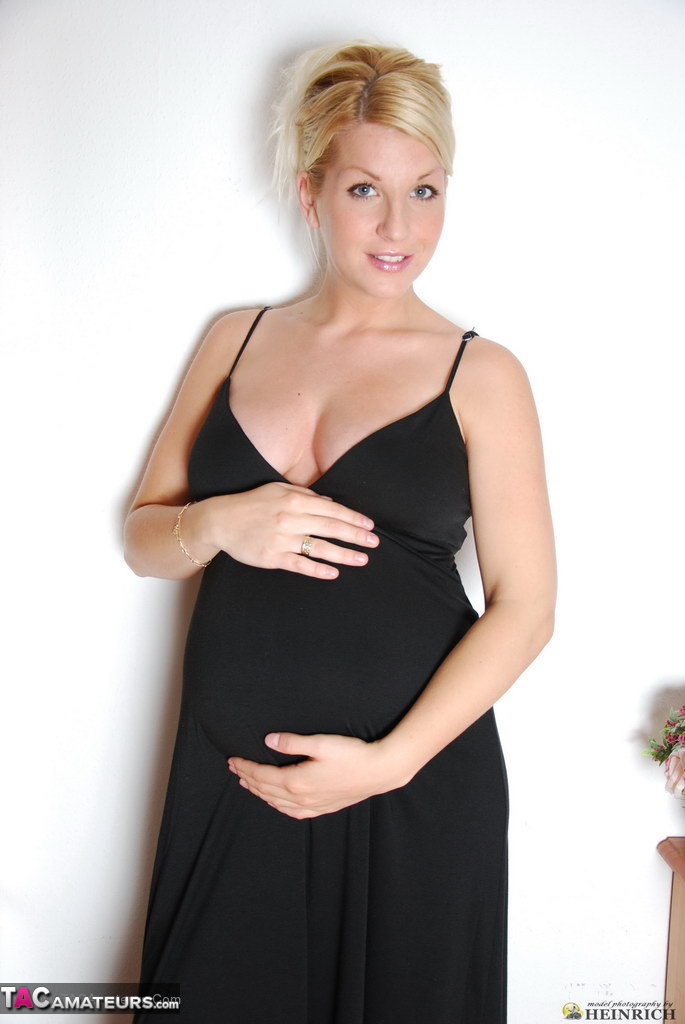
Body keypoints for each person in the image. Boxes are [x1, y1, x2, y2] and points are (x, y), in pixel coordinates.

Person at [124, 40, 556, 1024]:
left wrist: (389, 762)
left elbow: (526, 608)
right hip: (228, 782)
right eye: (366, 189)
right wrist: (221, 521)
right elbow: (144, 538)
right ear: (311, 192)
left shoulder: (482, 374)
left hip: (410, 787)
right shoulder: (234, 338)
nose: (400, 227)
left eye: (425, 191)